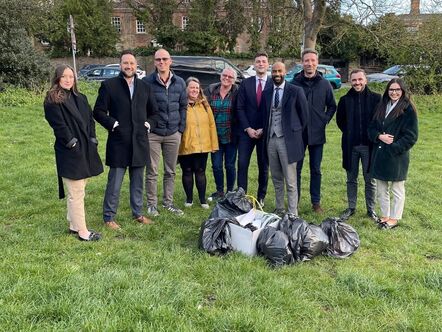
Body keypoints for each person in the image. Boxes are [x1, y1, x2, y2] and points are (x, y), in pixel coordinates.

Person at [93, 50, 159, 230]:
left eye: (131, 63)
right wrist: (112, 124)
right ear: (120, 65)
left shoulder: (145, 87)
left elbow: (155, 113)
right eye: (125, 63)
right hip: (119, 142)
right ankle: (109, 217)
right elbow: (98, 112)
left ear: (136, 65)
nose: (129, 66)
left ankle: (137, 213)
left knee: (137, 182)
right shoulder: (109, 86)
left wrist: (148, 124)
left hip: (139, 142)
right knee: (114, 183)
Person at [44, 65, 103, 241]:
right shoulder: (53, 99)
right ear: (57, 79)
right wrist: (72, 143)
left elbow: (90, 121)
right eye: (64, 76)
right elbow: (59, 126)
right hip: (69, 151)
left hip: (85, 148)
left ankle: (73, 225)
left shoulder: (80, 97)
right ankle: (83, 231)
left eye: (71, 76)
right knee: (76, 191)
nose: (68, 79)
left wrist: (92, 138)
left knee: (79, 188)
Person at [368, 78, 418, 229]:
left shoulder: (408, 109)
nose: (394, 92)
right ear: (387, 91)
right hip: (380, 153)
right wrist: (379, 136)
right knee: (381, 187)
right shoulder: (382, 105)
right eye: (391, 89)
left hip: (397, 155)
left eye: (397, 90)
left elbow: (411, 136)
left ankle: (394, 218)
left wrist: (394, 147)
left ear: (402, 91)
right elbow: (371, 128)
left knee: (397, 188)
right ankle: (384, 215)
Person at [142, 48, 187, 216]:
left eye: (164, 59)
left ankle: (168, 203)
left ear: (170, 61)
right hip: (153, 133)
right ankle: (152, 204)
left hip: (173, 133)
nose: (161, 62)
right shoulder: (146, 82)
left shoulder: (180, 82)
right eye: (158, 59)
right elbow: (142, 107)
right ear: (154, 62)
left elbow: (183, 107)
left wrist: (180, 129)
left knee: (170, 170)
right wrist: (147, 126)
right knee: (152, 170)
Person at [292, 49, 337, 213]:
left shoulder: (324, 84)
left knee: (315, 169)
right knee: (296, 169)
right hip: (298, 134)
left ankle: (315, 202)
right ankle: (294, 201)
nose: (309, 63)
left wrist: (324, 120)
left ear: (317, 62)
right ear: (302, 62)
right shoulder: (295, 83)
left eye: (312, 60)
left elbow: (332, 106)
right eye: (306, 61)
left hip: (317, 133)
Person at [261, 62, 308, 217]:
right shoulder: (267, 92)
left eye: (279, 71)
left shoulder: (296, 91)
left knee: (290, 180)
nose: (276, 74)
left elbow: (304, 117)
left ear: (285, 72)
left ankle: (293, 212)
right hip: (271, 140)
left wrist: (294, 134)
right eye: (274, 71)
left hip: (288, 141)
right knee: (276, 177)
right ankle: (279, 208)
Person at [336, 69, 381, 221]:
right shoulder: (344, 100)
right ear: (350, 81)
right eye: (354, 80)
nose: (357, 83)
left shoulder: (376, 99)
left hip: (369, 146)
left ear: (365, 80)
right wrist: (350, 134)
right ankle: (351, 207)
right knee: (351, 178)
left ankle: (371, 209)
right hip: (351, 146)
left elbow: (379, 121)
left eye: (360, 79)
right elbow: (340, 121)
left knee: (370, 179)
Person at [236, 52, 272, 206]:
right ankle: (241, 196)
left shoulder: (273, 84)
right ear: (254, 64)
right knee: (242, 163)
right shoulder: (246, 83)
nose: (261, 64)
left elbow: (274, 109)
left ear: (268, 64)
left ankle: (261, 197)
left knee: (263, 166)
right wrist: (247, 128)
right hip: (247, 133)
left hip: (265, 132)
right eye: (258, 61)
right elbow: (240, 107)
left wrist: (264, 128)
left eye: (264, 61)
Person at [178, 77, 218, 208]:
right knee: (187, 171)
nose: (194, 90)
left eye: (196, 87)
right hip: (186, 143)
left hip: (203, 145)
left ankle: (202, 200)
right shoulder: (181, 105)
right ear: (186, 89)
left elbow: (212, 125)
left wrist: (214, 144)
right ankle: (189, 199)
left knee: (200, 171)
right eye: (191, 87)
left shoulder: (205, 105)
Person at [204, 67, 239, 202]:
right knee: (217, 165)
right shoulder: (211, 91)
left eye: (230, 77)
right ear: (220, 76)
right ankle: (220, 191)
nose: (227, 78)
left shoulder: (237, 92)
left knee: (230, 165)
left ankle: (230, 191)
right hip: (214, 136)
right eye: (225, 75)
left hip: (231, 135)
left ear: (234, 80)